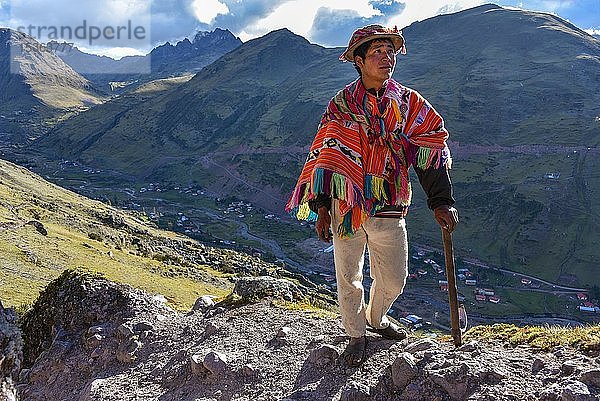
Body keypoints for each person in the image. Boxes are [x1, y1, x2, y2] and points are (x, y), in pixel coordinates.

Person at [285, 24, 458, 367]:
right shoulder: (341, 105)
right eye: (377, 52)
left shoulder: (410, 104)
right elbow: (326, 158)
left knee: (394, 278)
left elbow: (430, 149)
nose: (386, 57)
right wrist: (321, 209)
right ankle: (355, 335)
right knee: (347, 275)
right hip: (345, 207)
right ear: (359, 61)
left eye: (390, 51)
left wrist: (441, 201)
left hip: (389, 204)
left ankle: (376, 318)